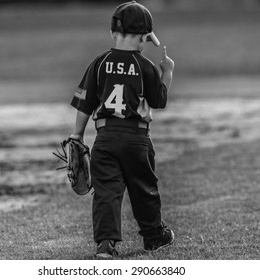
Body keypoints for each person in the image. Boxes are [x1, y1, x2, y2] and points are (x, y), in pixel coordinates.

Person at [69, 0, 175, 258]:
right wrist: (168, 73)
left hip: (105, 139)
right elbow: (159, 102)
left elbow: (85, 104)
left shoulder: (100, 62)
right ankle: (153, 236)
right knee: (144, 188)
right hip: (137, 139)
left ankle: (106, 245)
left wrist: (77, 135)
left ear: (112, 33)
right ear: (143, 38)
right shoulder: (145, 66)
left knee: (106, 192)